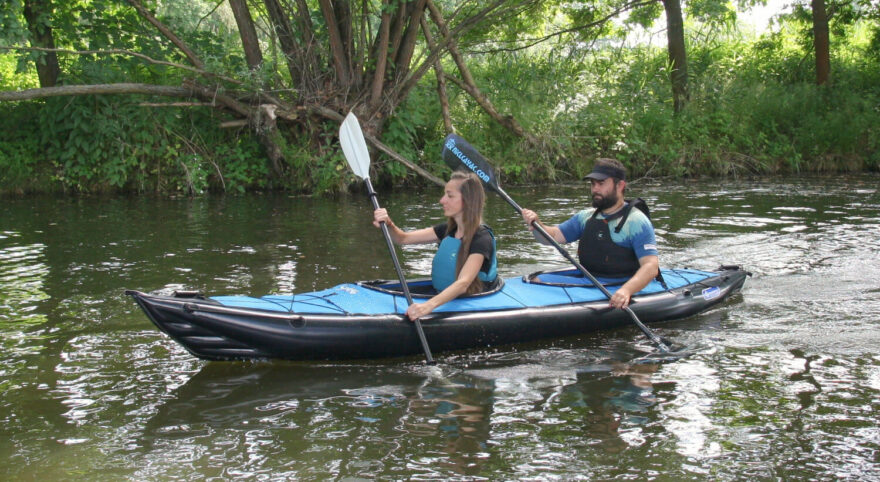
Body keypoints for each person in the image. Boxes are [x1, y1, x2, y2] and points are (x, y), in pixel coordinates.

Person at [520, 158, 659, 310]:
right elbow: (552, 237)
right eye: (593, 184)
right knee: (534, 280)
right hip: (589, 277)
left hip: (618, 282)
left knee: (539, 283)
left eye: (601, 183)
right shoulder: (586, 217)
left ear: (620, 185)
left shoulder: (637, 222)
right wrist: (537, 224)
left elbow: (651, 266)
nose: (595, 189)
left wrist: (626, 290)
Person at [373, 171, 498, 321]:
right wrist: (389, 223)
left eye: (450, 196)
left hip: (471, 299)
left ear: (468, 200)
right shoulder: (447, 230)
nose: (442, 200)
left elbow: (463, 283)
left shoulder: (481, 238)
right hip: (442, 292)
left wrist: (426, 306)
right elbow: (402, 239)